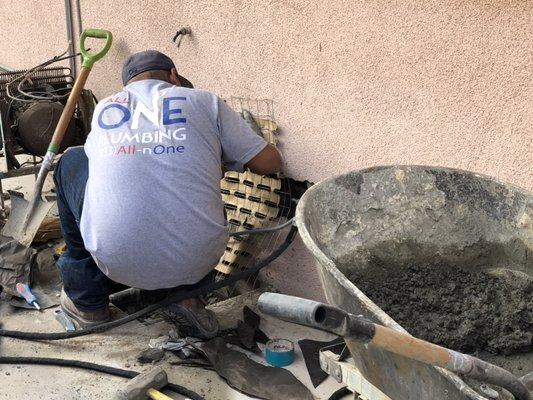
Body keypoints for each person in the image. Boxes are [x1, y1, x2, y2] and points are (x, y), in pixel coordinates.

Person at [54, 50, 282, 338]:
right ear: (173, 75)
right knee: (198, 187)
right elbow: (270, 163)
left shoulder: (105, 109)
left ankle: (88, 303)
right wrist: (232, 147)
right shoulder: (204, 100)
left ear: (128, 86)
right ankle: (187, 296)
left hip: (117, 262)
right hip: (198, 262)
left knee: (70, 162)